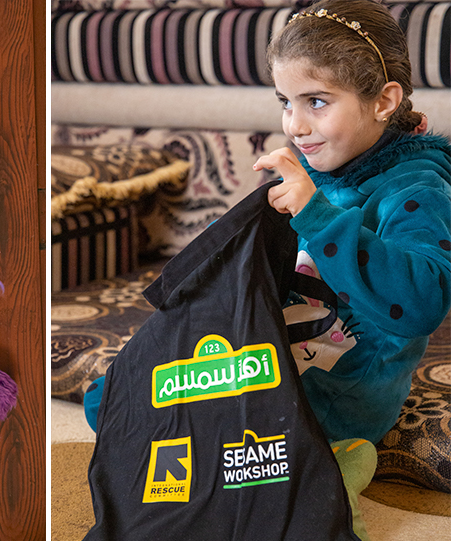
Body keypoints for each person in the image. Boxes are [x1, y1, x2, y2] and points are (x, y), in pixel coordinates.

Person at [85, 1, 449, 538]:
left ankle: (334, 467)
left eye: (317, 102)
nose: (295, 125)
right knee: (116, 400)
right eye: (286, 102)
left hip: (339, 389)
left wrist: (316, 215)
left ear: (383, 101)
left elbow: (419, 303)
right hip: (275, 350)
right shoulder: (315, 169)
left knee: (227, 447)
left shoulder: (417, 191)